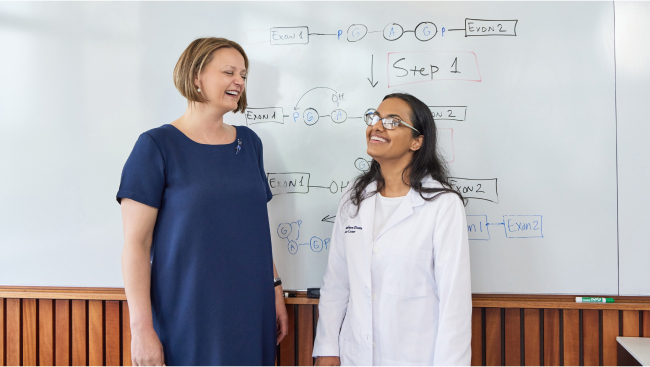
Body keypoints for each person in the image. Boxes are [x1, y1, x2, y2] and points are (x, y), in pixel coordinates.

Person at [117, 37, 288, 366]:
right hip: (188, 312)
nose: (238, 81)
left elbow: (254, 230)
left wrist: (275, 288)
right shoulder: (156, 145)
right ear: (196, 76)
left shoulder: (250, 143)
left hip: (252, 308)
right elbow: (135, 245)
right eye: (228, 71)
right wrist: (141, 329)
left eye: (243, 74)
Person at [312, 93, 472, 366]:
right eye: (374, 117)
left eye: (392, 122)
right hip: (356, 356)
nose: (376, 126)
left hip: (415, 357)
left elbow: (453, 303)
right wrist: (327, 349)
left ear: (417, 141)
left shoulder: (443, 205)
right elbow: (337, 282)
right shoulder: (354, 198)